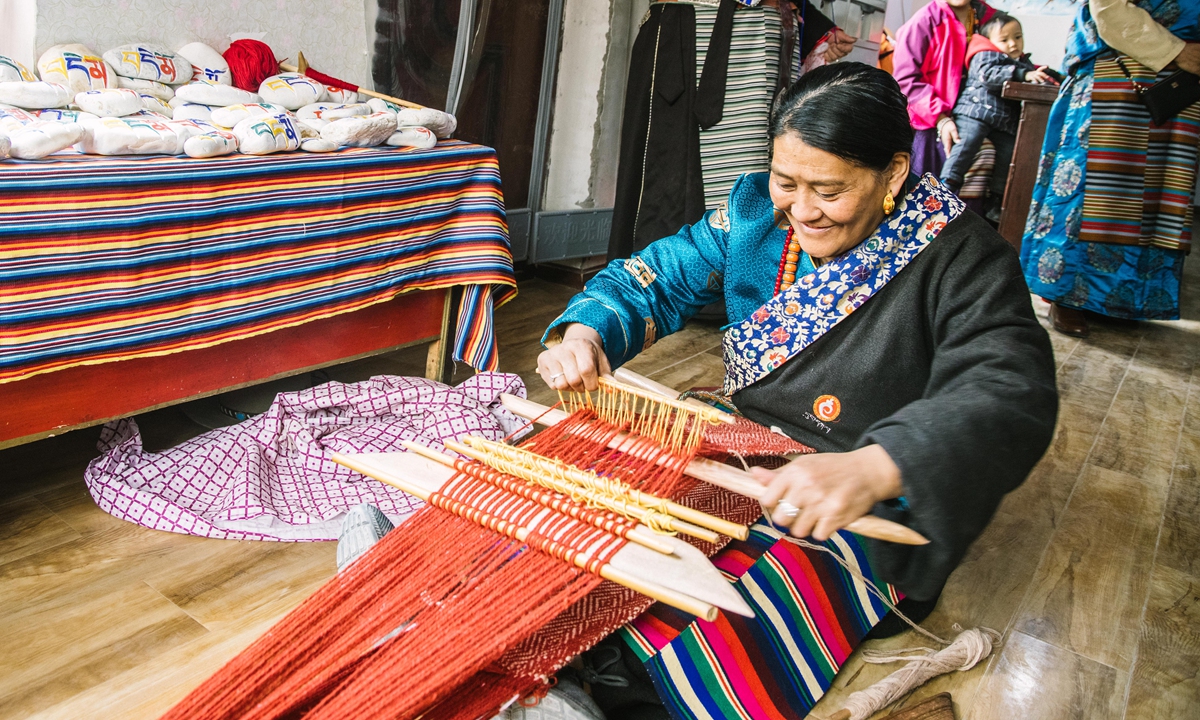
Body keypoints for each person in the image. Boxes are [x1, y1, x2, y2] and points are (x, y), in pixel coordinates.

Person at [538, 62, 1058, 719]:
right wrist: (586, 331)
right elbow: (660, 274)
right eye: (788, 181)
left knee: (698, 617)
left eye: (828, 190)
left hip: (865, 494)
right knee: (577, 531)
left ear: (893, 174)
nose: (802, 210)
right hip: (742, 443)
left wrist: (875, 466)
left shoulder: (963, 258)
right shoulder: (758, 214)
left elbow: (1011, 386)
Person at [608, 0, 855, 260]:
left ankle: (743, 281)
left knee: (759, 175)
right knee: (678, 181)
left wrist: (813, 25)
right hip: (700, 30)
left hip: (762, 36)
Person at [1020, 0, 1200, 337]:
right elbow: (1110, 8)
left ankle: (1126, 299)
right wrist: (1178, 51)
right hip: (1117, 72)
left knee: (1157, 198)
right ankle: (1067, 296)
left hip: (1181, 87)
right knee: (1093, 194)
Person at [940, 12, 1056, 222]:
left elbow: (1032, 73)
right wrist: (1023, 75)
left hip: (1001, 121)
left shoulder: (1022, 63)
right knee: (967, 141)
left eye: (1018, 37)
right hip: (975, 112)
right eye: (1004, 40)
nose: (1013, 44)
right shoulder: (984, 55)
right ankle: (947, 185)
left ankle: (996, 199)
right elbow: (989, 75)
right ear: (989, 42)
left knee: (1011, 151)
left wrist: (1047, 75)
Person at [893, 0, 996, 177]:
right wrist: (941, 119)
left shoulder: (988, 17)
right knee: (930, 191)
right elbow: (905, 81)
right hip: (930, 123)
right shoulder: (923, 22)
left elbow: (1006, 54)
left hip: (980, 114)